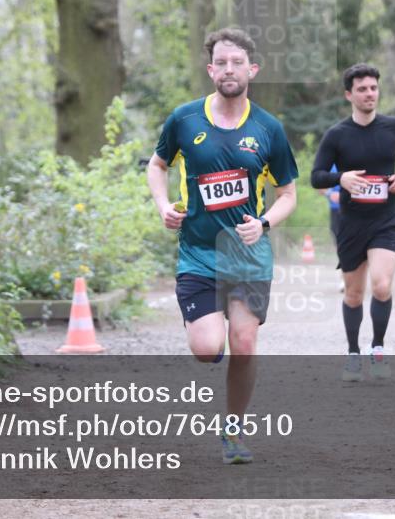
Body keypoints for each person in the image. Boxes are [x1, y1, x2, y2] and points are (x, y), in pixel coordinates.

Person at [147, 27, 298, 464]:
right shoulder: (184, 120)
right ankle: (210, 331)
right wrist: (163, 206)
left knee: (244, 343)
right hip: (198, 253)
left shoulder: (268, 128)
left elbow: (288, 194)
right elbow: (156, 167)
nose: (229, 69)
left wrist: (264, 223)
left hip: (248, 256)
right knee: (207, 350)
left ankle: (233, 430)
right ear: (210, 69)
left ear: (253, 69)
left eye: (237, 62)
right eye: (221, 63)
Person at [310, 64, 395, 382]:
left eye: (373, 88)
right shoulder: (337, 135)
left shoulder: (393, 127)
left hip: (386, 220)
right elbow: (316, 176)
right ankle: (353, 352)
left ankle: (378, 347)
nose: (369, 94)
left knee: (382, 285)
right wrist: (341, 178)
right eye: (362, 89)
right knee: (354, 294)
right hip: (351, 223)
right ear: (349, 95)